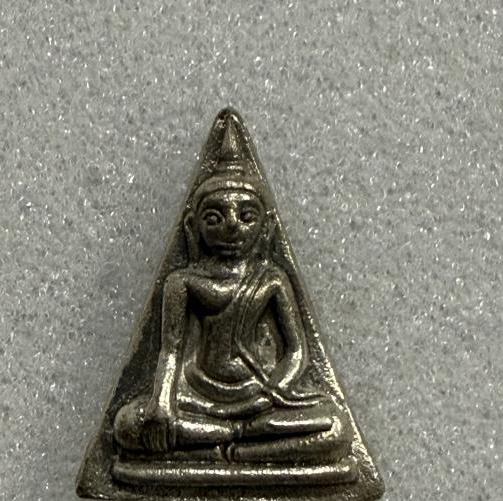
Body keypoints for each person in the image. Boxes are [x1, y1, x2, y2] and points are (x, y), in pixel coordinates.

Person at [114, 118, 348, 464]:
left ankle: (228, 447)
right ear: (193, 227)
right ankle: (239, 444)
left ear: (266, 227)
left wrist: (271, 391)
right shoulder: (182, 282)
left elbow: (297, 351)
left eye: (246, 216)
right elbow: (170, 350)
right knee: (127, 425)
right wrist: (162, 403)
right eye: (214, 218)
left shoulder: (271, 280)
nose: (232, 228)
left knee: (335, 428)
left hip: (257, 395)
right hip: (196, 395)